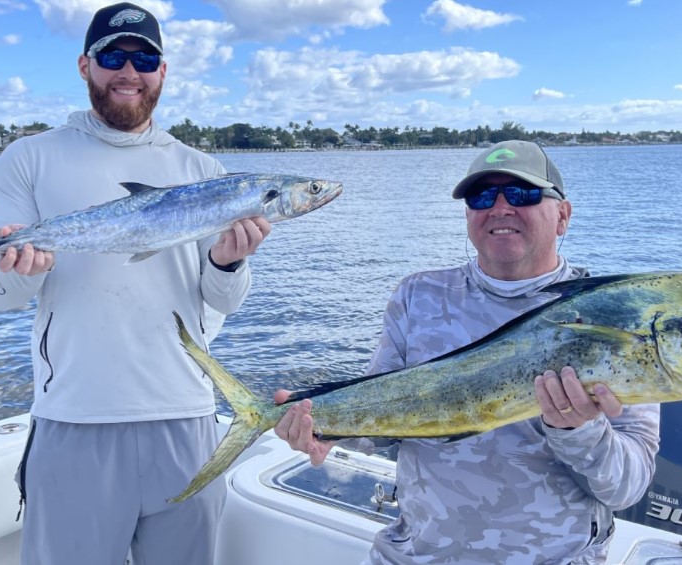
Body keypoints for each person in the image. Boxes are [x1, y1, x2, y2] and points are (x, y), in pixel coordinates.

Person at [0, 1, 271, 565]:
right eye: (113, 56)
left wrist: (230, 263)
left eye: (145, 59)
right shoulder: (29, 158)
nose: (129, 72)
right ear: (85, 65)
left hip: (185, 417)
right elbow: (1, 296)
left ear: (164, 71)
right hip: (74, 419)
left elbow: (222, 302)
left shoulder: (204, 171)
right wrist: (16, 269)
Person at [274, 139, 660, 564]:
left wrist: (579, 430)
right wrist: (323, 428)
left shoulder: (615, 316)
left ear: (563, 216)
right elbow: (385, 424)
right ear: (468, 215)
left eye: (522, 193)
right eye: (481, 196)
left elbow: (627, 487)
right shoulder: (418, 295)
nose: (499, 207)